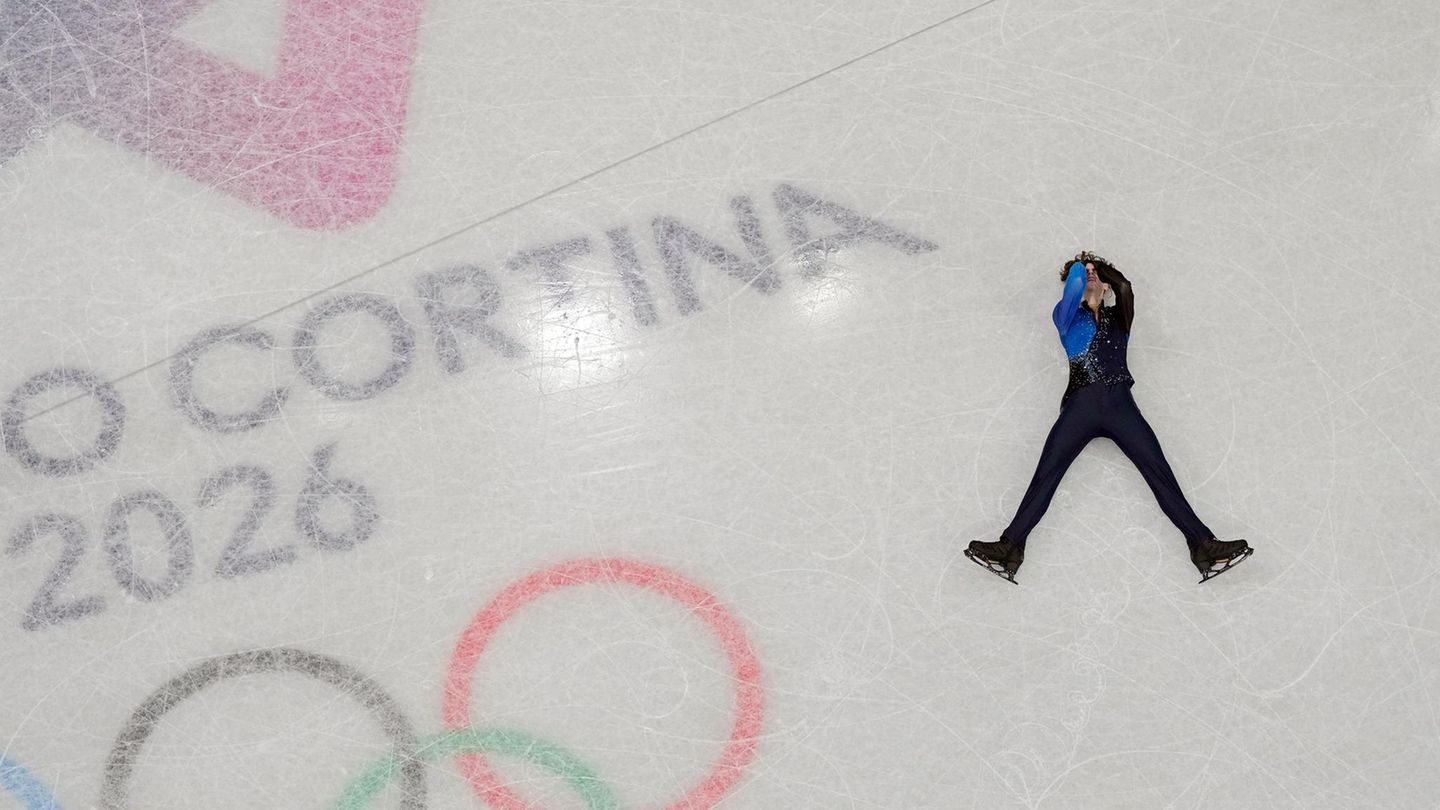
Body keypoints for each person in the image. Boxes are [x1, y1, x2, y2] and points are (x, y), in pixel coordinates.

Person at [965, 251, 1253, 585]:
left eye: (1095, 273)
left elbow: (1126, 286)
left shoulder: (1120, 318)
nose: (1089, 276)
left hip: (1121, 407)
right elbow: (1073, 289)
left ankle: (1204, 546)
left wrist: (1100, 269)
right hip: (1081, 408)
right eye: (1083, 272)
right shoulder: (1066, 316)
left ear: (1105, 282)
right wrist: (1079, 268)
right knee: (1046, 475)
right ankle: (1010, 547)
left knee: (1160, 474)